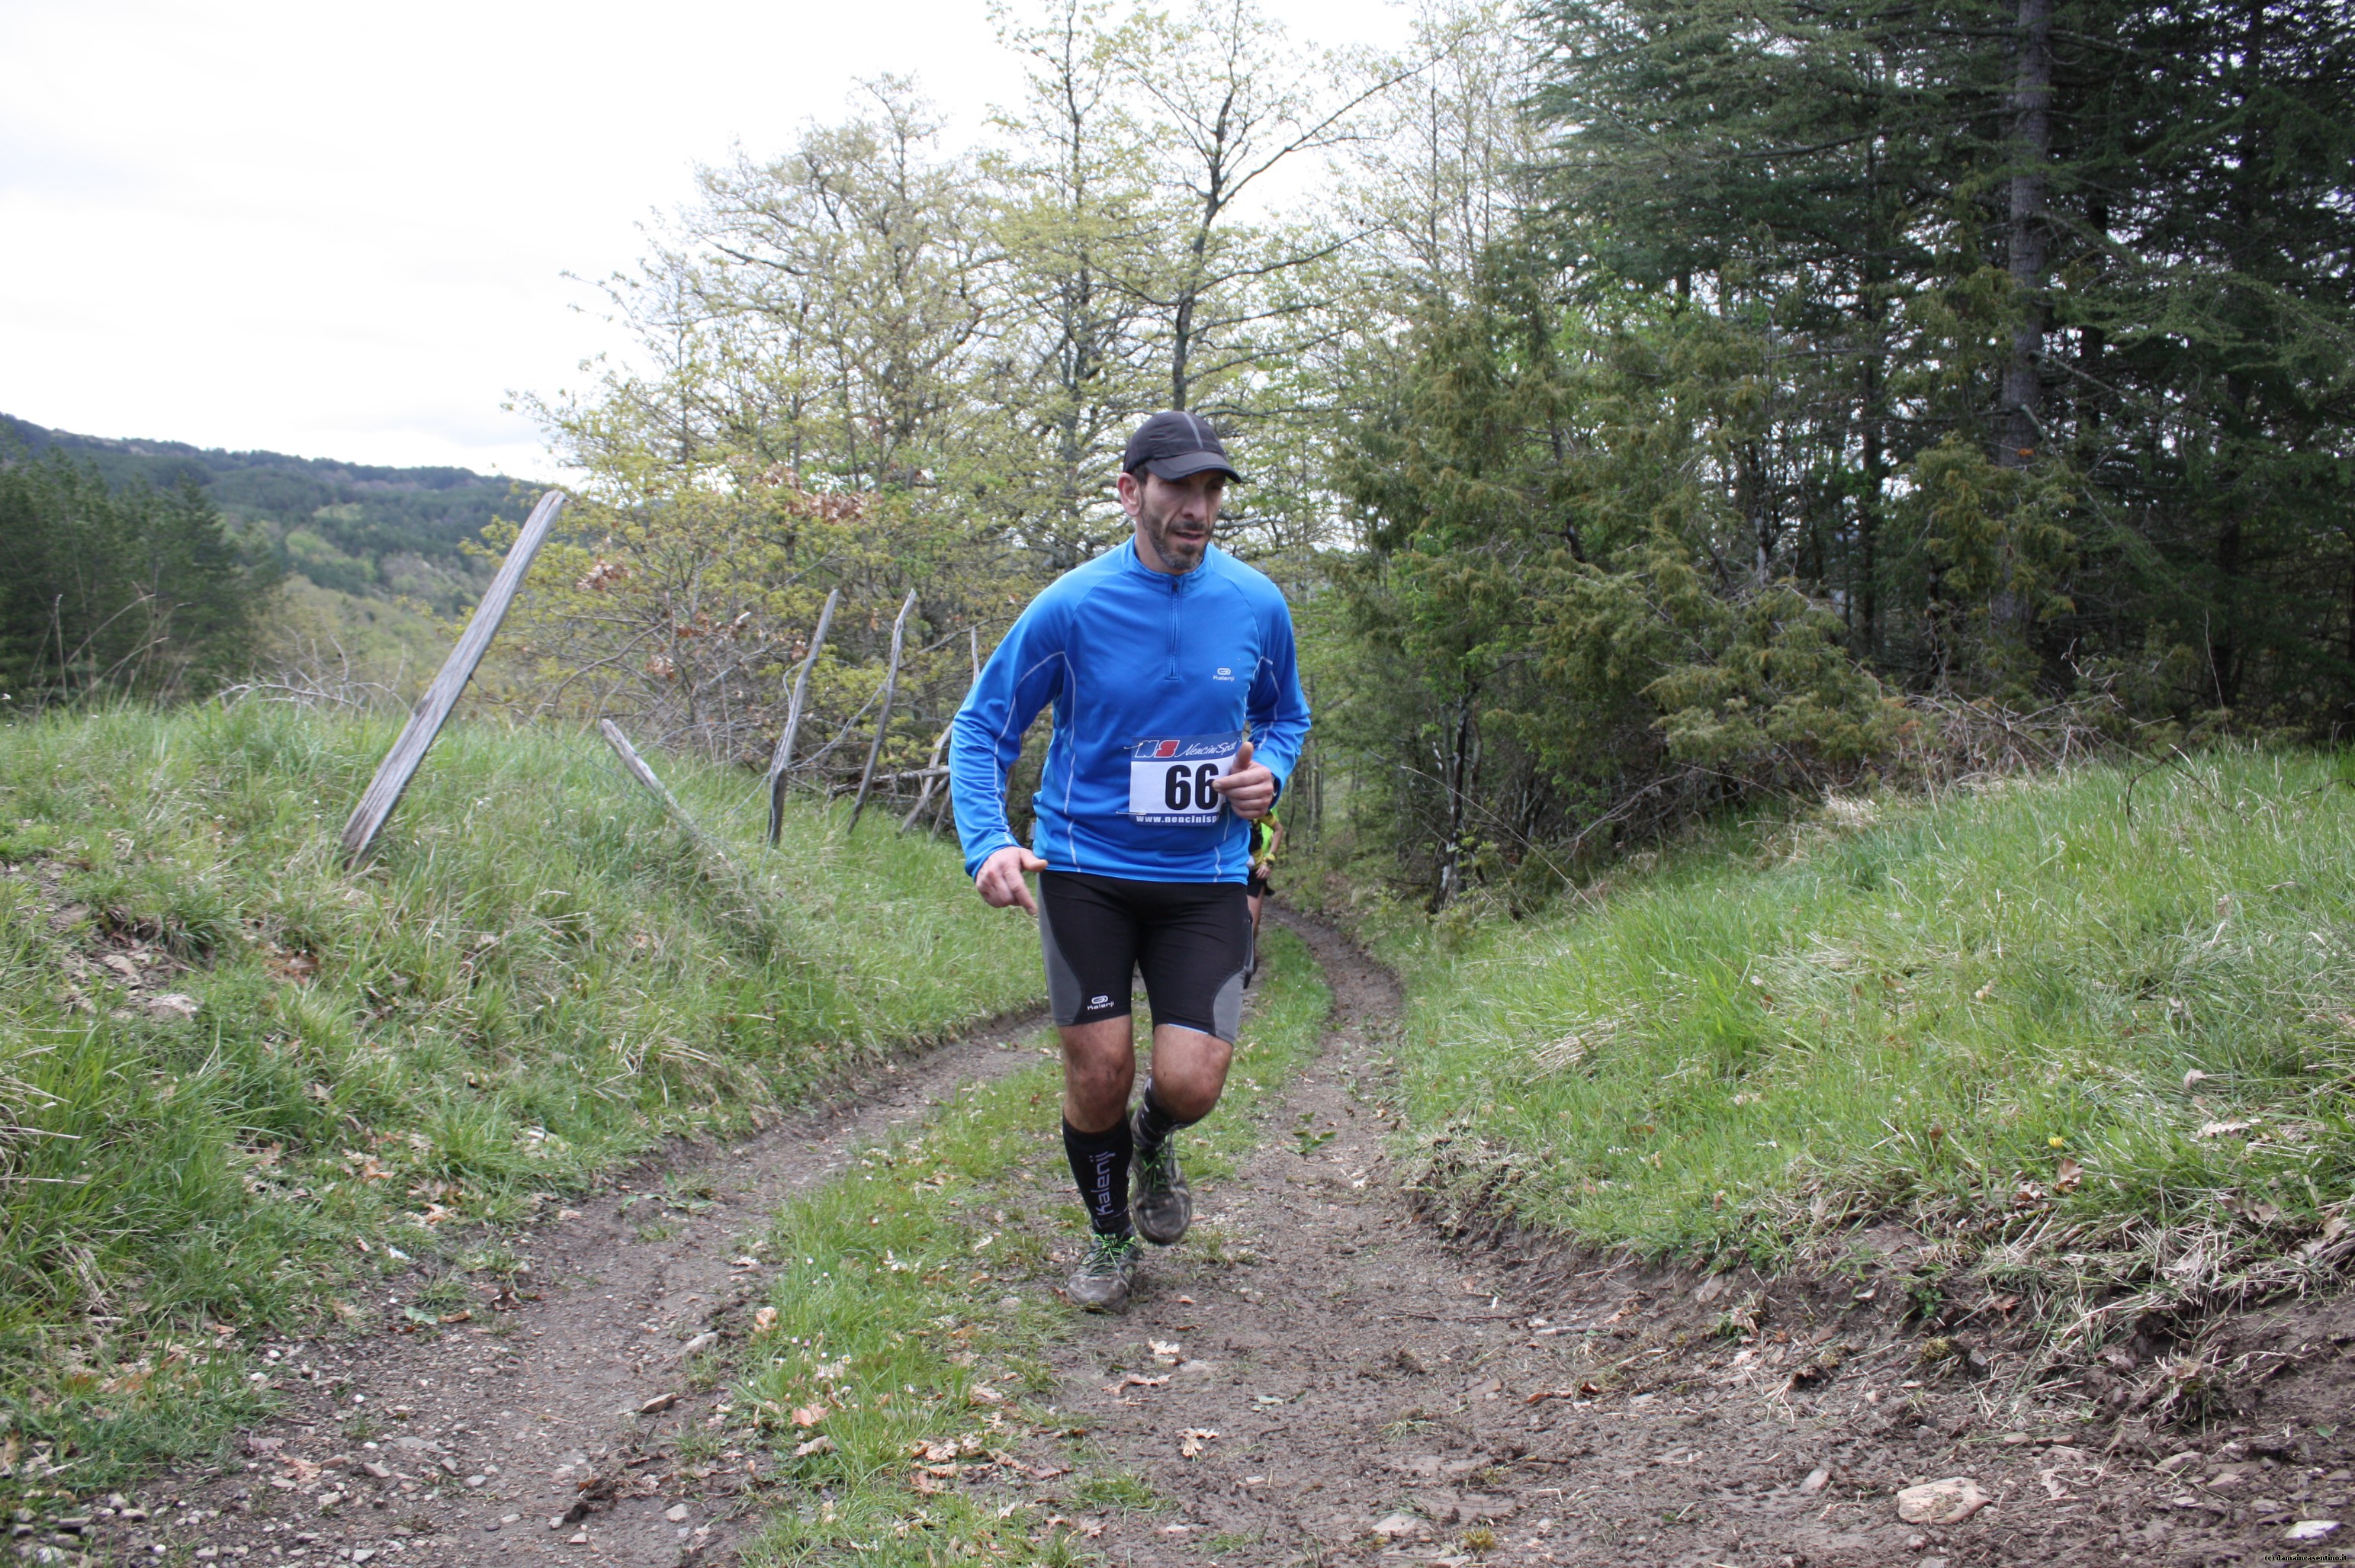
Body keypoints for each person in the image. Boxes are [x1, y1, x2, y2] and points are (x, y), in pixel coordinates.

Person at [946, 411, 1311, 1313]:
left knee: (1191, 1082)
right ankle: (1110, 1237)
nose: (1197, 506)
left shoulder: (1256, 603)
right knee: (1097, 1071)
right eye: (1178, 487)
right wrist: (987, 843)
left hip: (1206, 882)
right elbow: (982, 727)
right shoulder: (1072, 606)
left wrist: (1268, 772)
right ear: (1129, 491)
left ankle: (1155, 1138)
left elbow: (1286, 715)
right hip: (1087, 869)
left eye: (1212, 489)